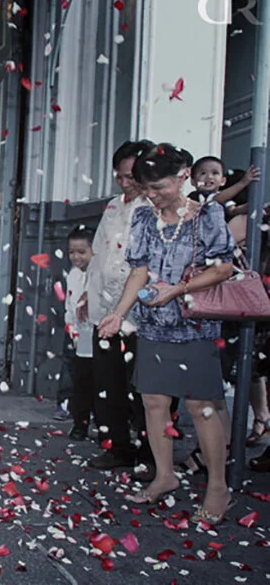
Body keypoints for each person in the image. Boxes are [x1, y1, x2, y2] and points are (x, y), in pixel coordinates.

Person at [98, 142, 235, 525]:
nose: (152, 196)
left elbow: (223, 268)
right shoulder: (144, 217)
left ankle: (218, 487)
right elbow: (139, 271)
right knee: (154, 403)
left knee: (200, 406)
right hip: (154, 324)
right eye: (146, 189)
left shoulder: (207, 214)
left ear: (182, 177)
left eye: (158, 188)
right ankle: (165, 475)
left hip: (194, 324)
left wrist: (176, 290)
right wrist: (118, 313)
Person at [83, 139, 153, 470]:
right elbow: (98, 253)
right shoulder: (112, 206)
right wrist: (87, 292)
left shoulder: (152, 207)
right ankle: (117, 446)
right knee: (108, 381)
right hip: (103, 307)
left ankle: (150, 453)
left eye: (131, 177)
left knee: (142, 389)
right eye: (120, 177)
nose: (125, 184)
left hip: (139, 313)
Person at [63, 228, 95, 440]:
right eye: (71, 252)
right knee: (80, 382)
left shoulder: (98, 274)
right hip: (80, 334)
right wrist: (71, 328)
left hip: (99, 332)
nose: (76, 257)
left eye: (81, 252)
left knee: (101, 381)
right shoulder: (73, 275)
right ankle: (80, 424)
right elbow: (69, 304)